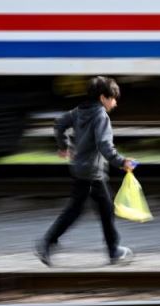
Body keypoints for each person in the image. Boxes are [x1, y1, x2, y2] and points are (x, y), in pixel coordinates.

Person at [35, 76, 136, 267]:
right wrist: (122, 161)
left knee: (85, 209)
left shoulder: (79, 111)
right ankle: (112, 251)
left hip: (79, 168)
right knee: (102, 209)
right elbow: (105, 145)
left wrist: (64, 146)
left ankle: (48, 243)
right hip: (93, 173)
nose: (114, 103)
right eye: (112, 98)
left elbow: (59, 124)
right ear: (102, 97)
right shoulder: (101, 116)